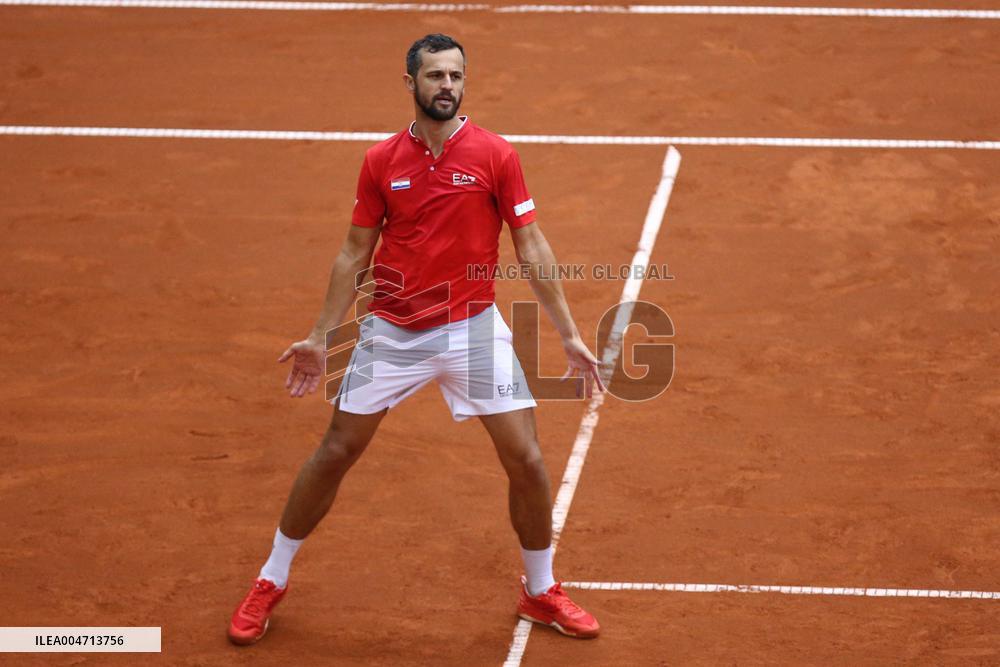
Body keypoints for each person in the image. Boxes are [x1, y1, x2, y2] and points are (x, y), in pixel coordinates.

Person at [227, 33, 604, 646]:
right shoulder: (381, 161)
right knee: (336, 451)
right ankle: (271, 578)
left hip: (472, 330)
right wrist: (321, 335)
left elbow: (530, 244)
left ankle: (540, 590)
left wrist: (568, 333)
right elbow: (354, 251)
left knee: (528, 460)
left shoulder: (496, 155)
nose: (446, 86)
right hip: (393, 333)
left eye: (455, 75)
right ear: (411, 83)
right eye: (434, 76)